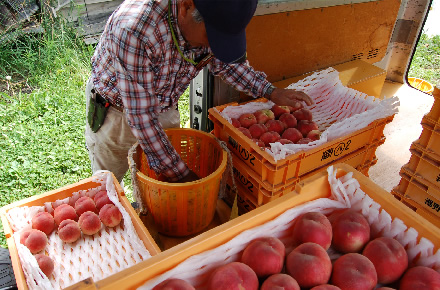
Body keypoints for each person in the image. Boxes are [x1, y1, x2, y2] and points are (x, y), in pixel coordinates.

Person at [85, 0, 313, 184]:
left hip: (163, 105)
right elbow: (141, 117)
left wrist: (270, 91)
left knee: (159, 182)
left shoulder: (206, 19)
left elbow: (226, 64)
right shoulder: (135, 28)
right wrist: (183, 175)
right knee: (108, 183)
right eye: (212, 38)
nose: (214, 47)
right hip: (116, 113)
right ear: (186, 6)